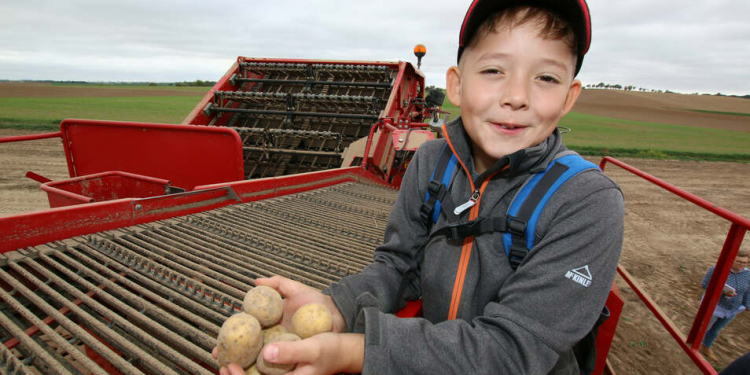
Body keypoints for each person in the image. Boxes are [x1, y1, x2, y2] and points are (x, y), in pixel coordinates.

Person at [216, 0, 624, 374]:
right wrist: (335, 307)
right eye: (494, 70)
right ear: (458, 84)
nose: (517, 96)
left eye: (546, 77)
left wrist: (358, 350)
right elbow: (398, 266)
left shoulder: (585, 203)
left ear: (569, 97)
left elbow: (512, 351)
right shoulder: (431, 164)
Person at [699, 250, 750, 362]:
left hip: (732, 309)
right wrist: (722, 292)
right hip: (715, 306)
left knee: (716, 330)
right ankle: (694, 345)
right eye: (739, 262)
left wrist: (747, 305)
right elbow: (705, 284)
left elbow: (748, 291)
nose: (742, 265)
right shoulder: (717, 269)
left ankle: (706, 346)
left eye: (745, 262)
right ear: (732, 260)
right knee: (704, 327)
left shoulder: (747, 274)